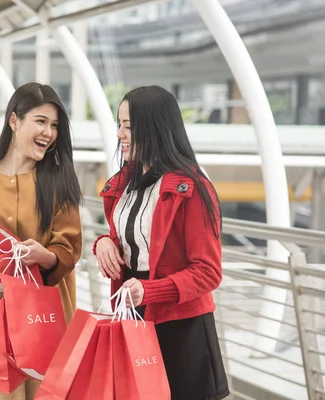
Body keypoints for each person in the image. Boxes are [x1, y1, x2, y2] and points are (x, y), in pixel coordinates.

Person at [0, 82, 82, 400]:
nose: (49, 133)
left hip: (44, 321)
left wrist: (44, 256)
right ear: (14, 121)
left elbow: (69, 248)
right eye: (41, 121)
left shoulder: (59, 184)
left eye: (54, 125)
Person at [93, 86, 229, 400]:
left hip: (181, 328)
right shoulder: (123, 183)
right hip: (134, 316)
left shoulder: (192, 188)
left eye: (128, 126)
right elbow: (128, 238)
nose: (120, 135)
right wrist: (103, 243)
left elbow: (208, 272)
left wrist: (149, 291)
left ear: (154, 126)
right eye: (119, 125)